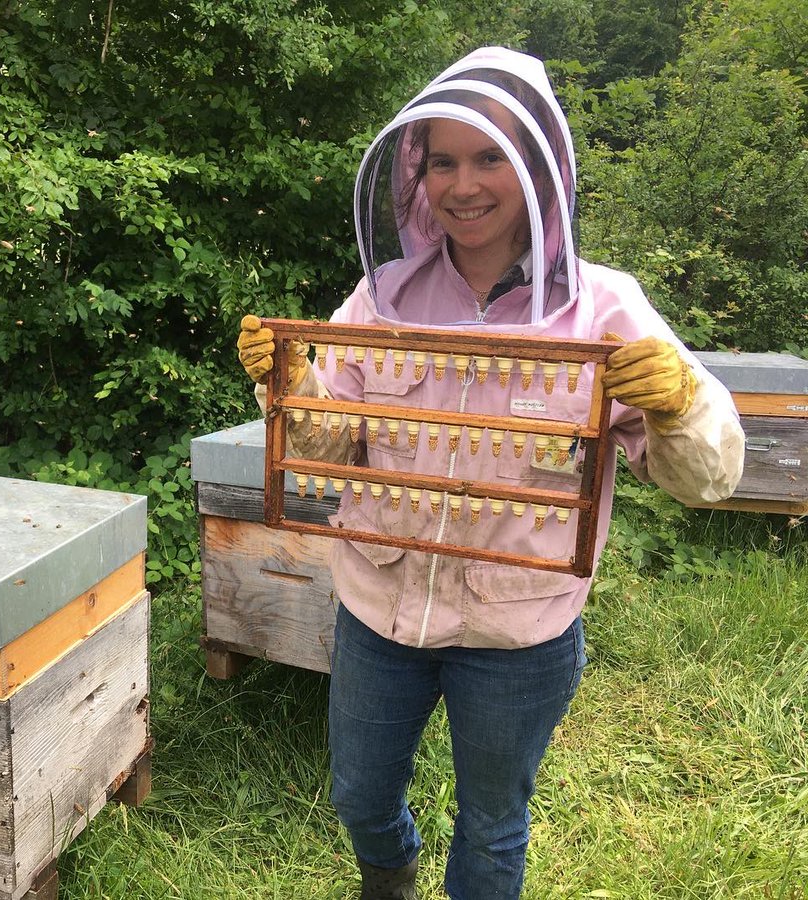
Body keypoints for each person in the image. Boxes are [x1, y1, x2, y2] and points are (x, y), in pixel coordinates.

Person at [235, 47, 743, 900]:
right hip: (379, 608)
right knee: (360, 797)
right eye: (442, 161)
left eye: (490, 156)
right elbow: (331, 451)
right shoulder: (381, 296)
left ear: (539, 167)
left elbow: (705, 480)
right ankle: (388, 879)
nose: (462, 184)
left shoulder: (606, 307)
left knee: (494, 824)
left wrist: (681, 403)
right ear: (416, 174)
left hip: (518, 632)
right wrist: (290, 388)